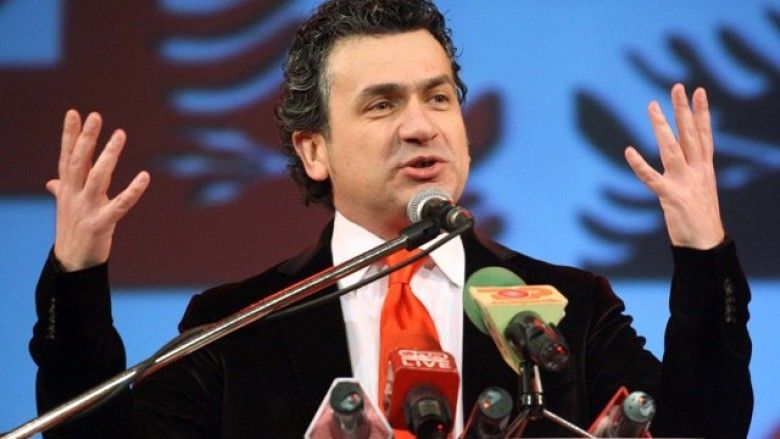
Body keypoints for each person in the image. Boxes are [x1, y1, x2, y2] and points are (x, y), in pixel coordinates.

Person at [30, 0, 752, 437]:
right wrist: (78, 276)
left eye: (438, 98)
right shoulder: (237, 324)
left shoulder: (570, 309)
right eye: (382, 104)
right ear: (314, 150)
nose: (420, 125)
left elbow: (701, 429)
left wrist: (703, 253)